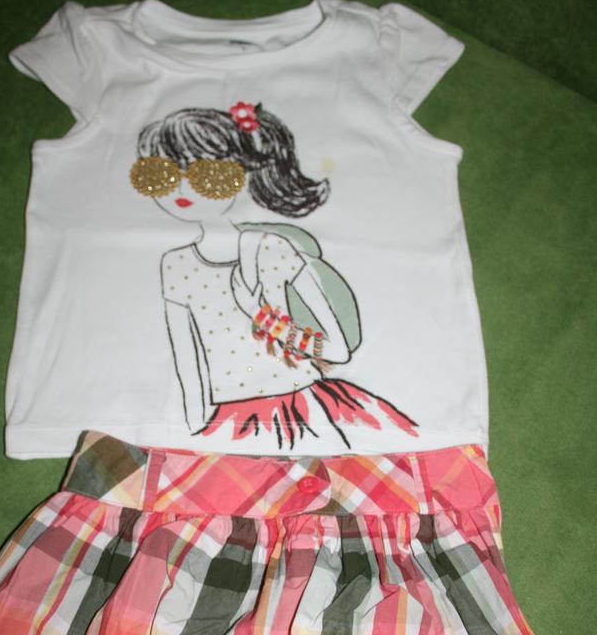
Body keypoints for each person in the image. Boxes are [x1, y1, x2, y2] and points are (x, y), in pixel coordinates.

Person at [129, 100, 419, 450]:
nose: (180, 189)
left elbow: (338, 350)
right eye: (160, 175)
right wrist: (191, 436)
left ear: (242, 174)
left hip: (300, 412)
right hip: (226, 422)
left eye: (205, 175)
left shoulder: (271, 248)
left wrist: (266, 320)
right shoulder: (175, 265)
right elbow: (188, 366)